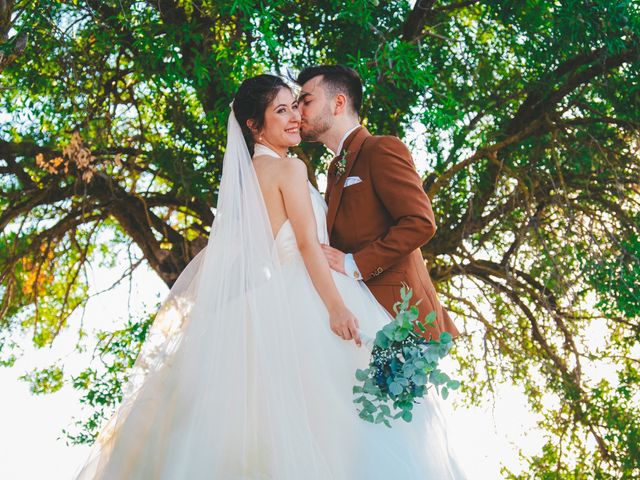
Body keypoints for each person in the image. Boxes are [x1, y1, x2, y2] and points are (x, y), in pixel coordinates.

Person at [73, 74, 467, 479]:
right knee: (353, 427)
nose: (296, 115)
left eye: (297, 105)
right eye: (283, 109)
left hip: (280, 294)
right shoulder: (292, 170)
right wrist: (336, 306)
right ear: (254, 125)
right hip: (314, 296)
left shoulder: (253, 178)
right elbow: (308, 246)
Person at [296, 65, 459, 343]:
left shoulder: (381, 148)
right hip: (364, 321)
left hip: (403, 319)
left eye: (306, 101)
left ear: (338, 103)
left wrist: (354, 263)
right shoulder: (334, 170)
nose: (298, 111)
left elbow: (420, 223)